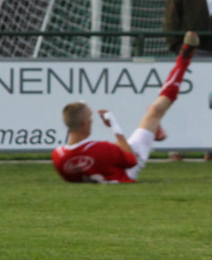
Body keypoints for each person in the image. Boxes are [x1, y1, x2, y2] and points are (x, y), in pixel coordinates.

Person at [53, 32, 199, 183]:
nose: (91, 121)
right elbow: (131, 160)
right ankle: (184, 59)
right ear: (84, 123)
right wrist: (114, 125)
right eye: (90, 118)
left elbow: (74, 177)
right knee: (156, 110)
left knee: (152, 114)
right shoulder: (99, 149)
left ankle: (153, 128)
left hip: (113, 162)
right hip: (128, 171)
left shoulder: (58, 156)